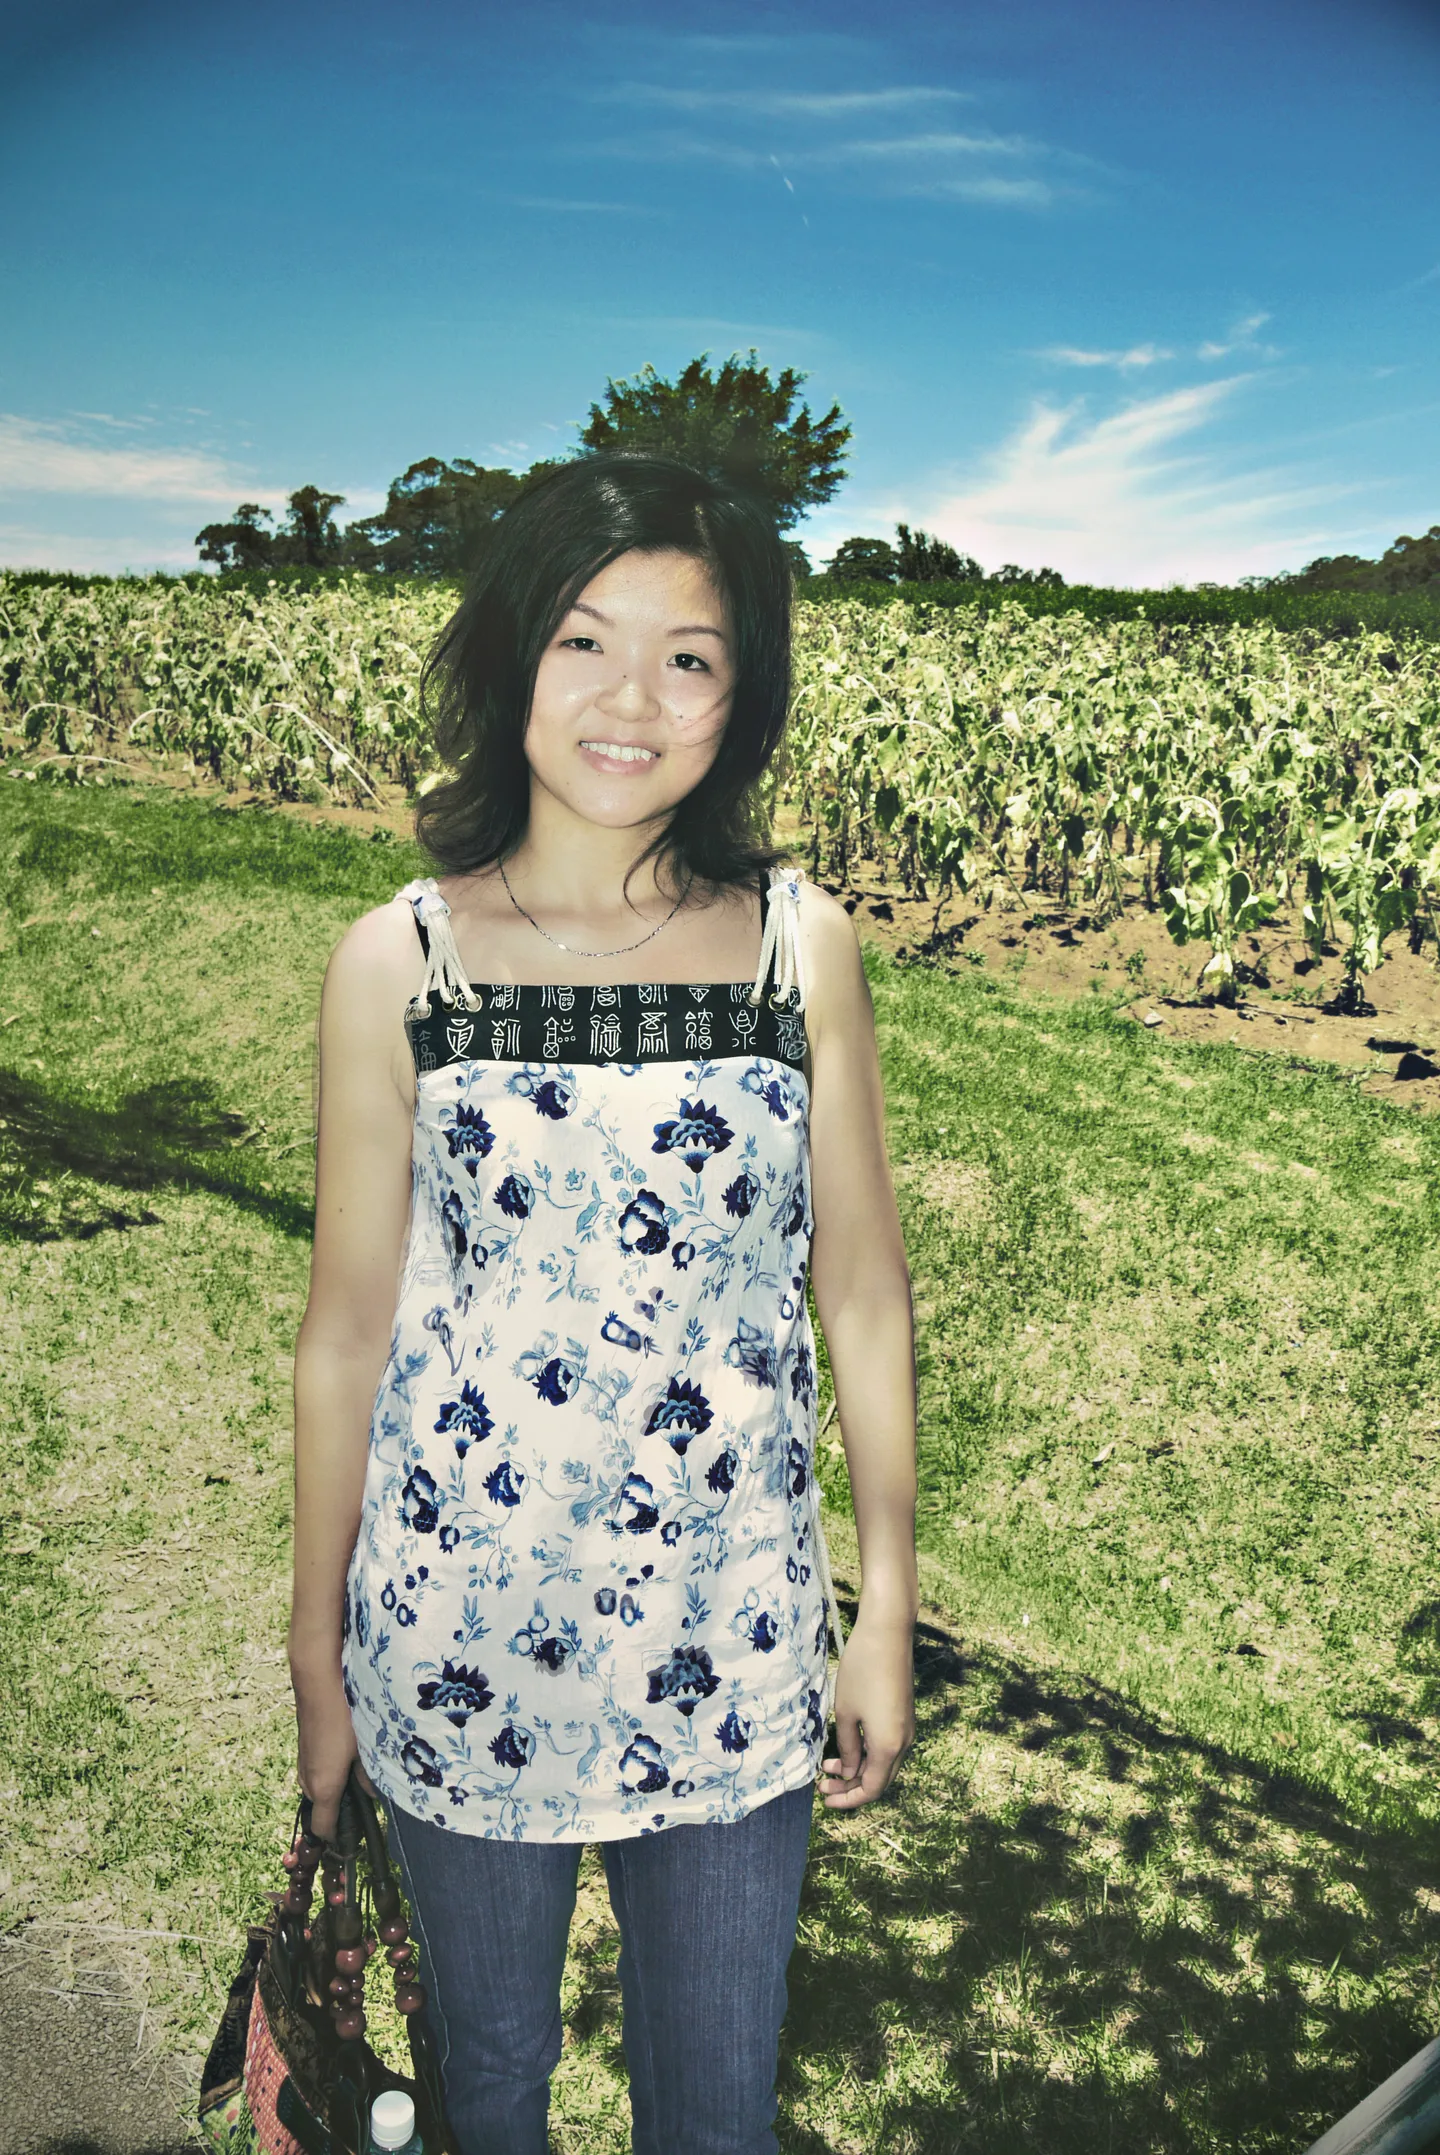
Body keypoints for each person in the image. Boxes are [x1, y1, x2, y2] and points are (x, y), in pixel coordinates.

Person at [287, 451, 919, 2155]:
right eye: (585, 639)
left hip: (734, 1643)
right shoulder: (398, 963)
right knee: (489, 2090)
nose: (633, 699)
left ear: (742, 694)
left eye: (689, 656)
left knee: (713, 2113)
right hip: (461, 1644)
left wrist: (883, 1601)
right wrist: (314, 1649)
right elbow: (346, 1333)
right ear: (513, 654)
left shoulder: (798, 948)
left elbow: (862, 1287)